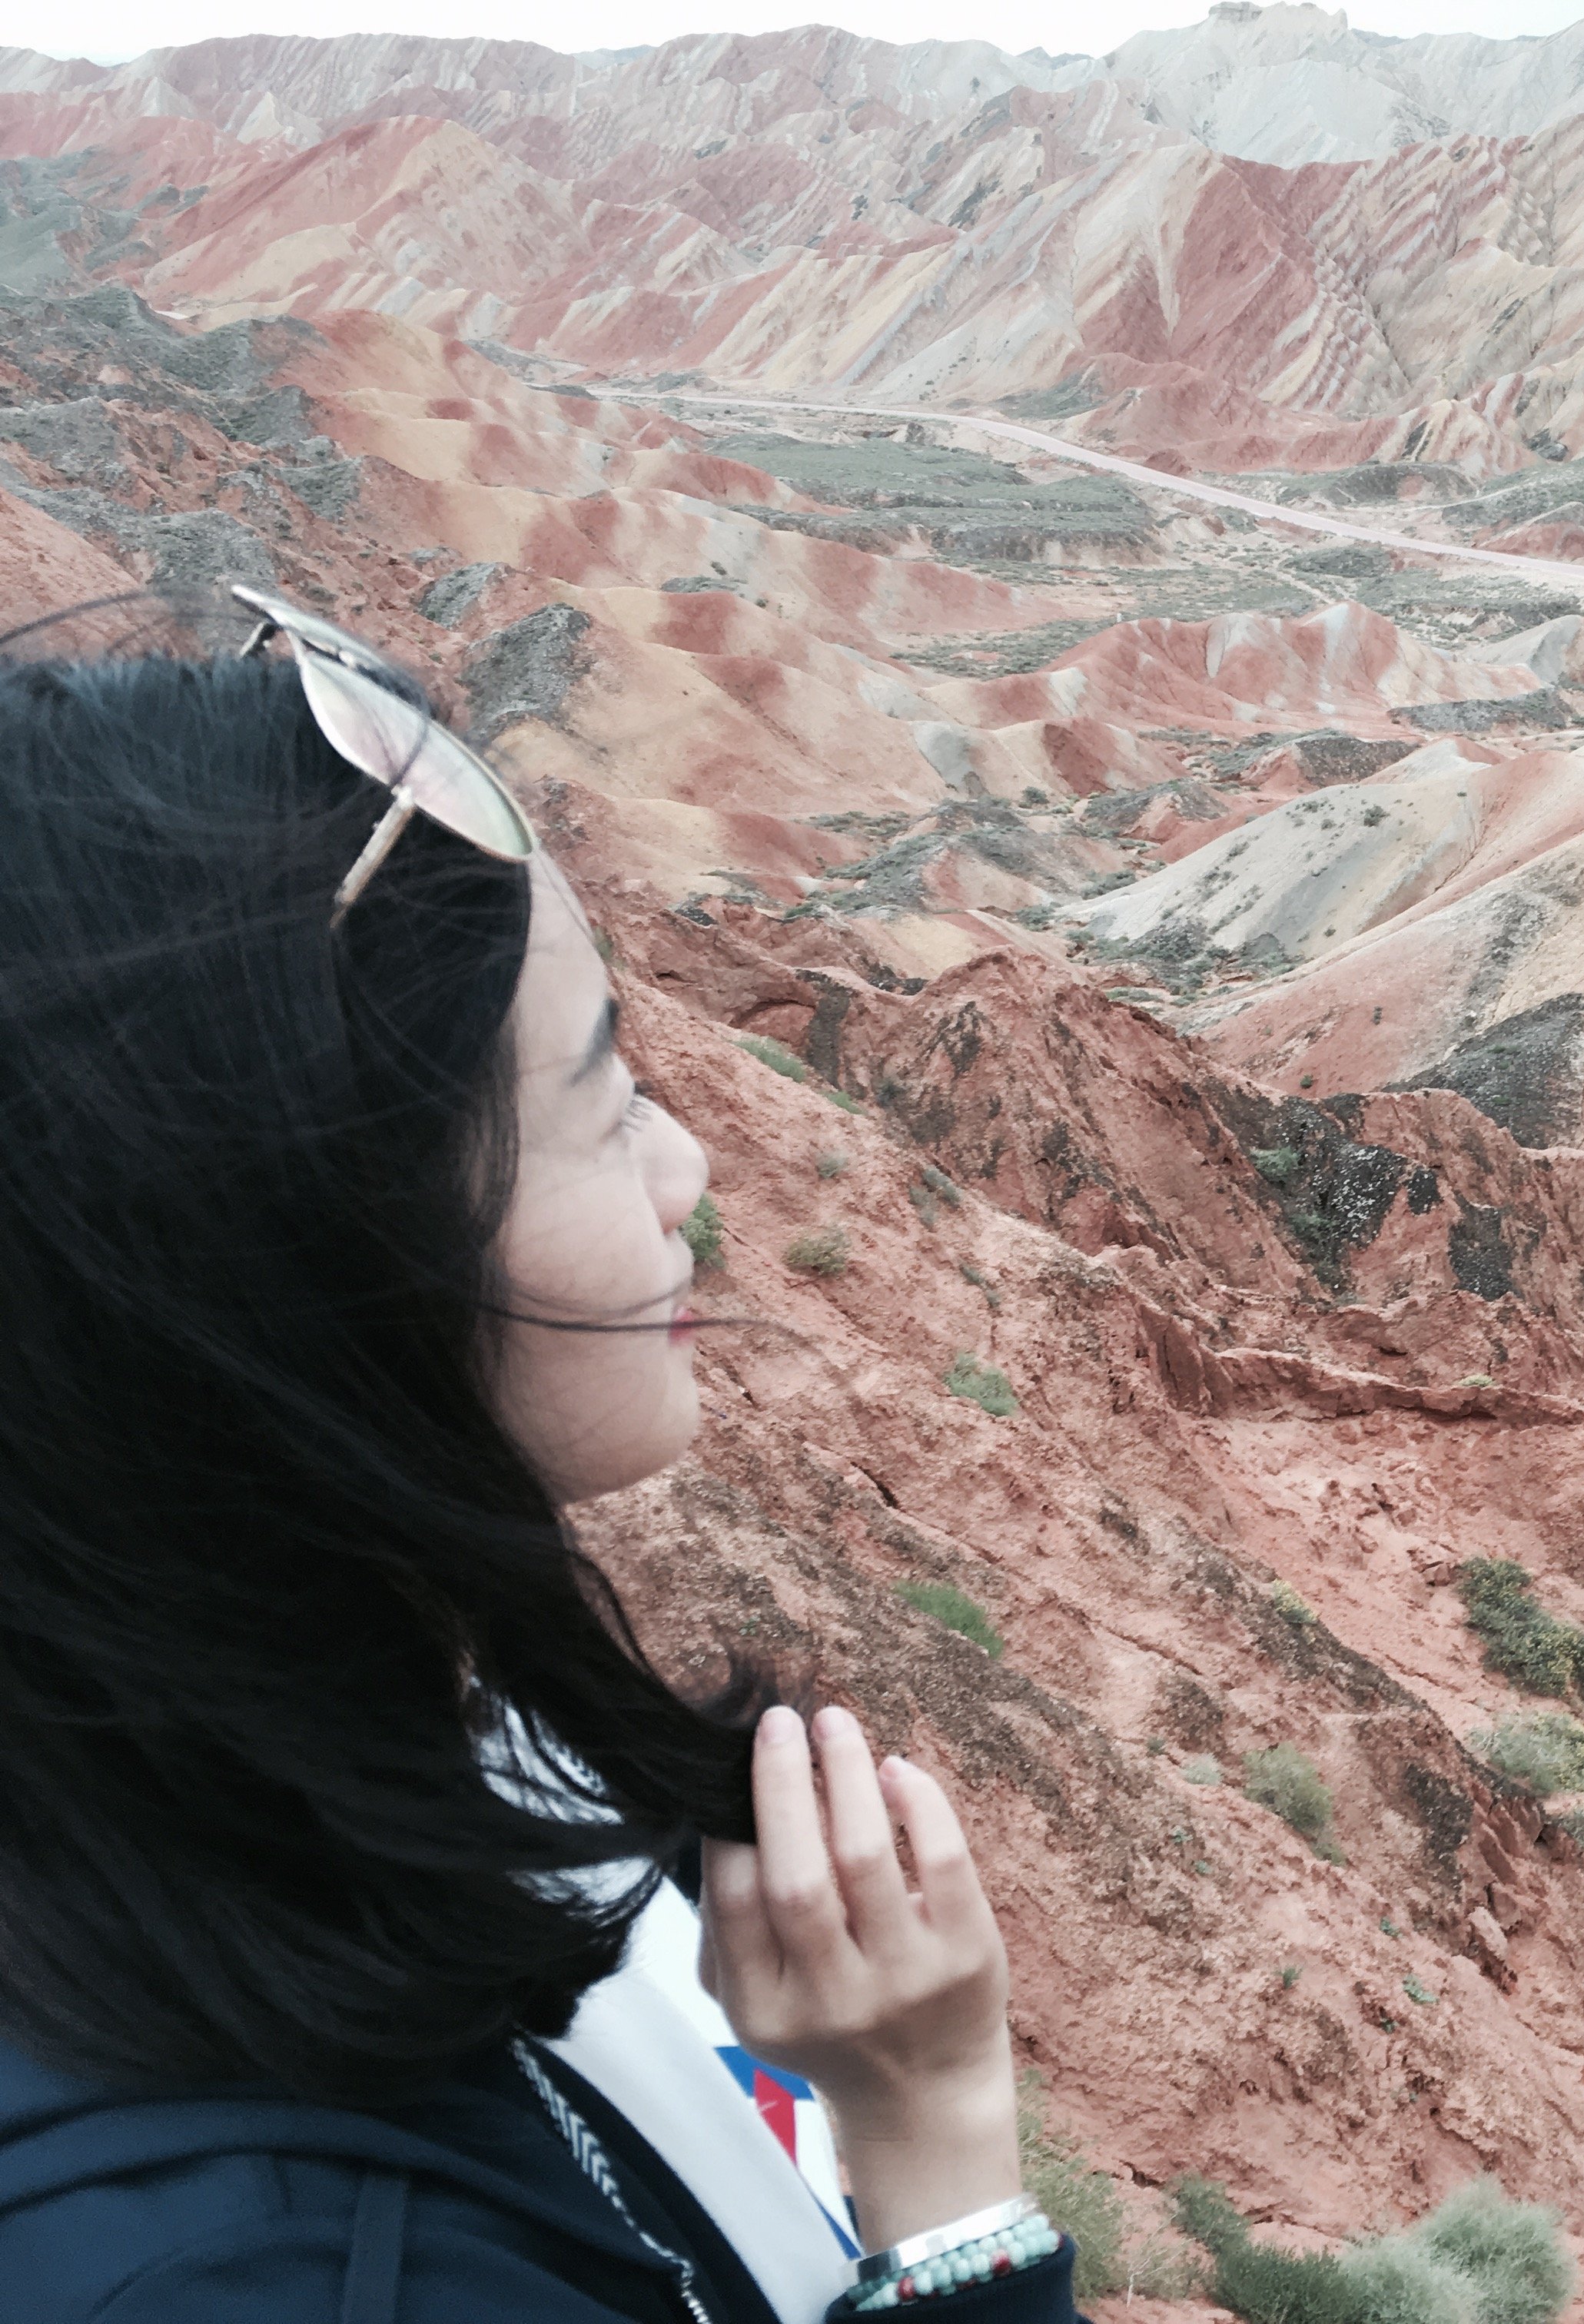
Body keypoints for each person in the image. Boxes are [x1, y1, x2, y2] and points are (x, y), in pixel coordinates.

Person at [0, 588, 1076, 2322]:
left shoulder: (363, 1736)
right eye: (598, 1093)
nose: (688, 1164)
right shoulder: (254, 2279)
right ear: (307, 1261)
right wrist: (941, 2154)